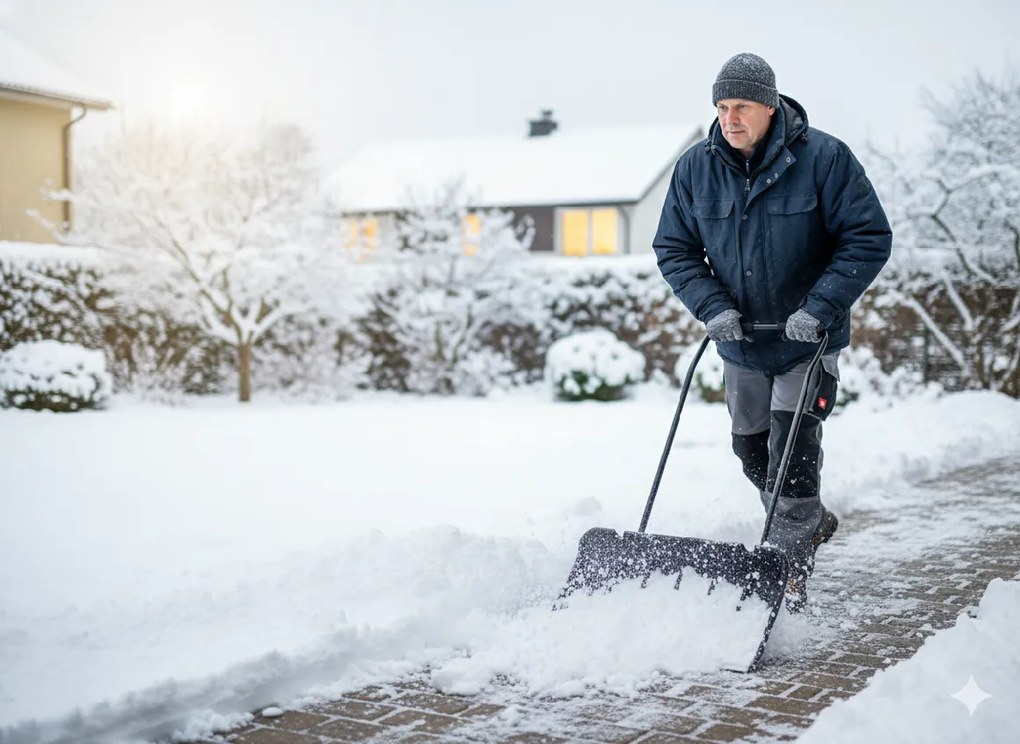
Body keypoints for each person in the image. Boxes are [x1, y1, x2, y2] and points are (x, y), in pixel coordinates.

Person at [652, 52, 892, 612]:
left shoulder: (826, 159)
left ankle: (787, 566)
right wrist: (711, 306)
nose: (729, 118)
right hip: (740, 340)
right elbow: (674, 248)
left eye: (740, 106)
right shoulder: (695, 169)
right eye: (721, 106)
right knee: (750, 448)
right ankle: (807, 520)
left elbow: (867, 237)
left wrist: (821, 307)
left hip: (807, 341)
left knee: (795, 445)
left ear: (770, 104)